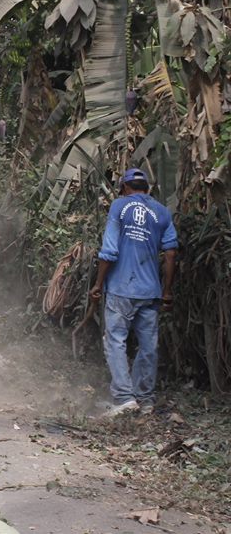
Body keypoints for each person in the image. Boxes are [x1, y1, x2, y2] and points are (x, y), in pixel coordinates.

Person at [89, 168, 178, 416]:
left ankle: (125, 398)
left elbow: (109, 250)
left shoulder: (120, 206)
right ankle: (145, 400)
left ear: (126, 188)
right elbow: (171, 254)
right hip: (150, 291)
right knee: (148, 345)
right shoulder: (162, 212)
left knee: (115, 341)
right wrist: (167, 291)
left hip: (121, 288)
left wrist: (98, 284)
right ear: (146, 189)